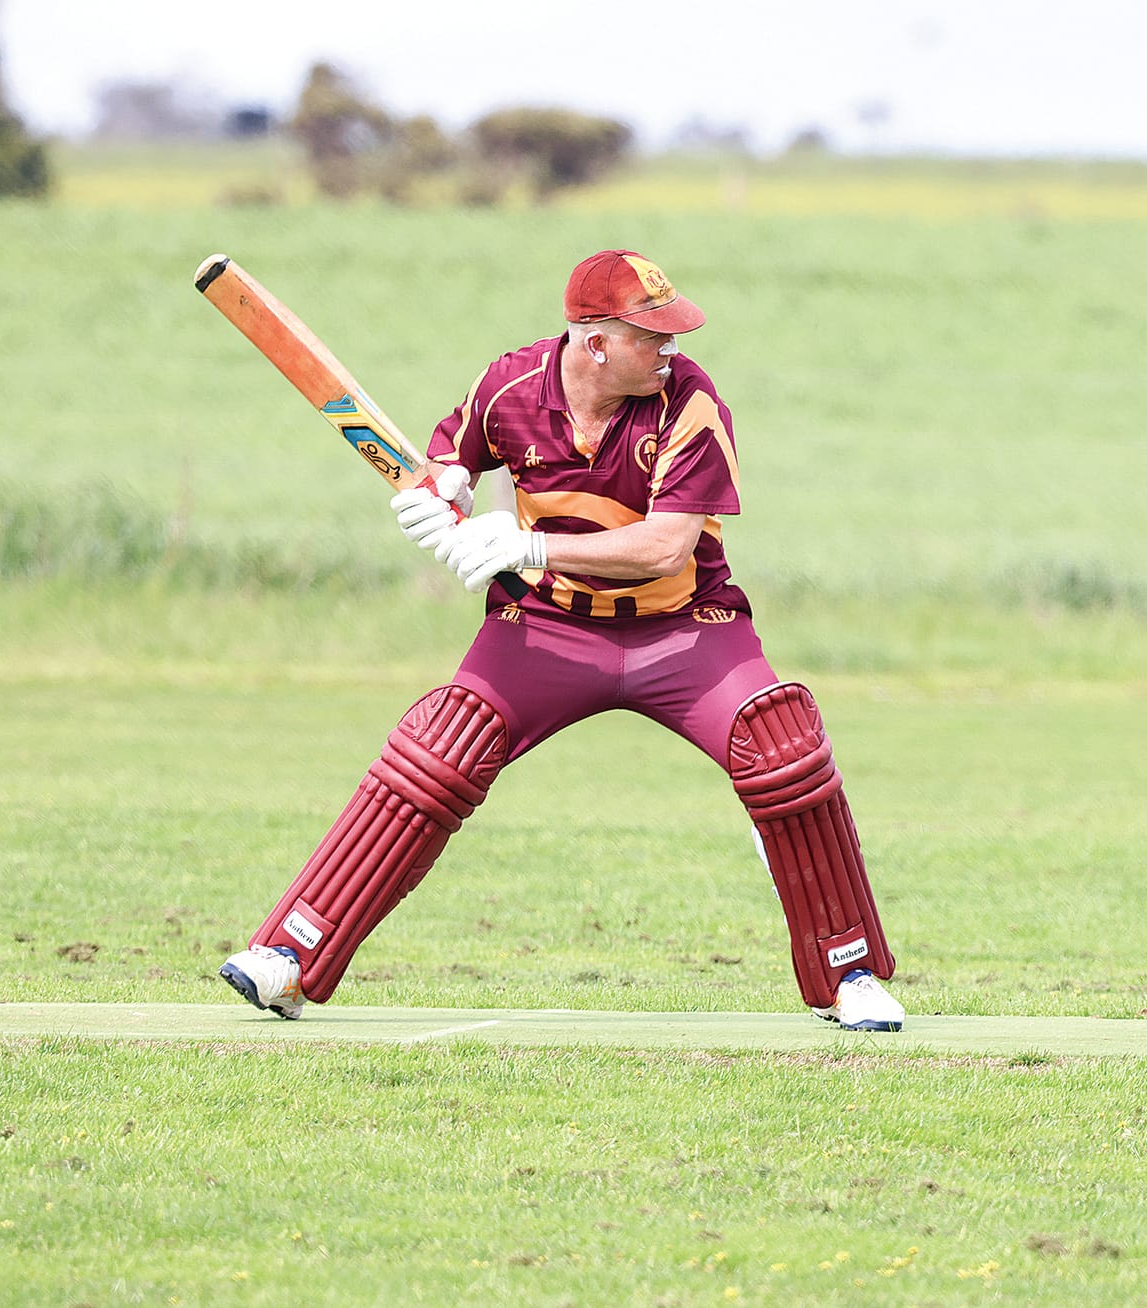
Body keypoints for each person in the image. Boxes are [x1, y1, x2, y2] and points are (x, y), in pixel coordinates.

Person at [218, 249, 903, 1029]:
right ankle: (291, 957)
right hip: (543, 627)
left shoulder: (691, 402)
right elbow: (456, 454)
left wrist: (525, 546)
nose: (670, 350)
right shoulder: (510, 384)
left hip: (684, 629)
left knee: (781, 746)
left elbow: (663, 548)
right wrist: (445, 483)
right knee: (439, 750)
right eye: (651, 337)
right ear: (594, 340)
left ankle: (849, 975)